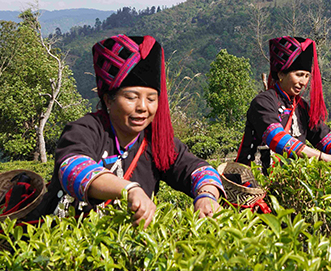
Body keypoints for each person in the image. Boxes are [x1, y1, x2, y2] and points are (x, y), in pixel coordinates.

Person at [40, 35, 224, 227]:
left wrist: (207, 195)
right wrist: (130, 189)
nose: (143, 107)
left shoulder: (156, 142)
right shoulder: (86, 129)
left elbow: (199, 170)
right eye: (131, 97)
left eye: (151, 99)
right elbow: (73, 168)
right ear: (108, 100)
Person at [235, 36, 331, 173]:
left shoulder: (301, 106)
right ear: (281, 74)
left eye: (306, 76)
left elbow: (322, 134)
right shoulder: (263, 102)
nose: (303, 82)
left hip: (289, 180)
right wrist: (325, 158)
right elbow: (277, 139)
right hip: (253, 179)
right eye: (298, 75)